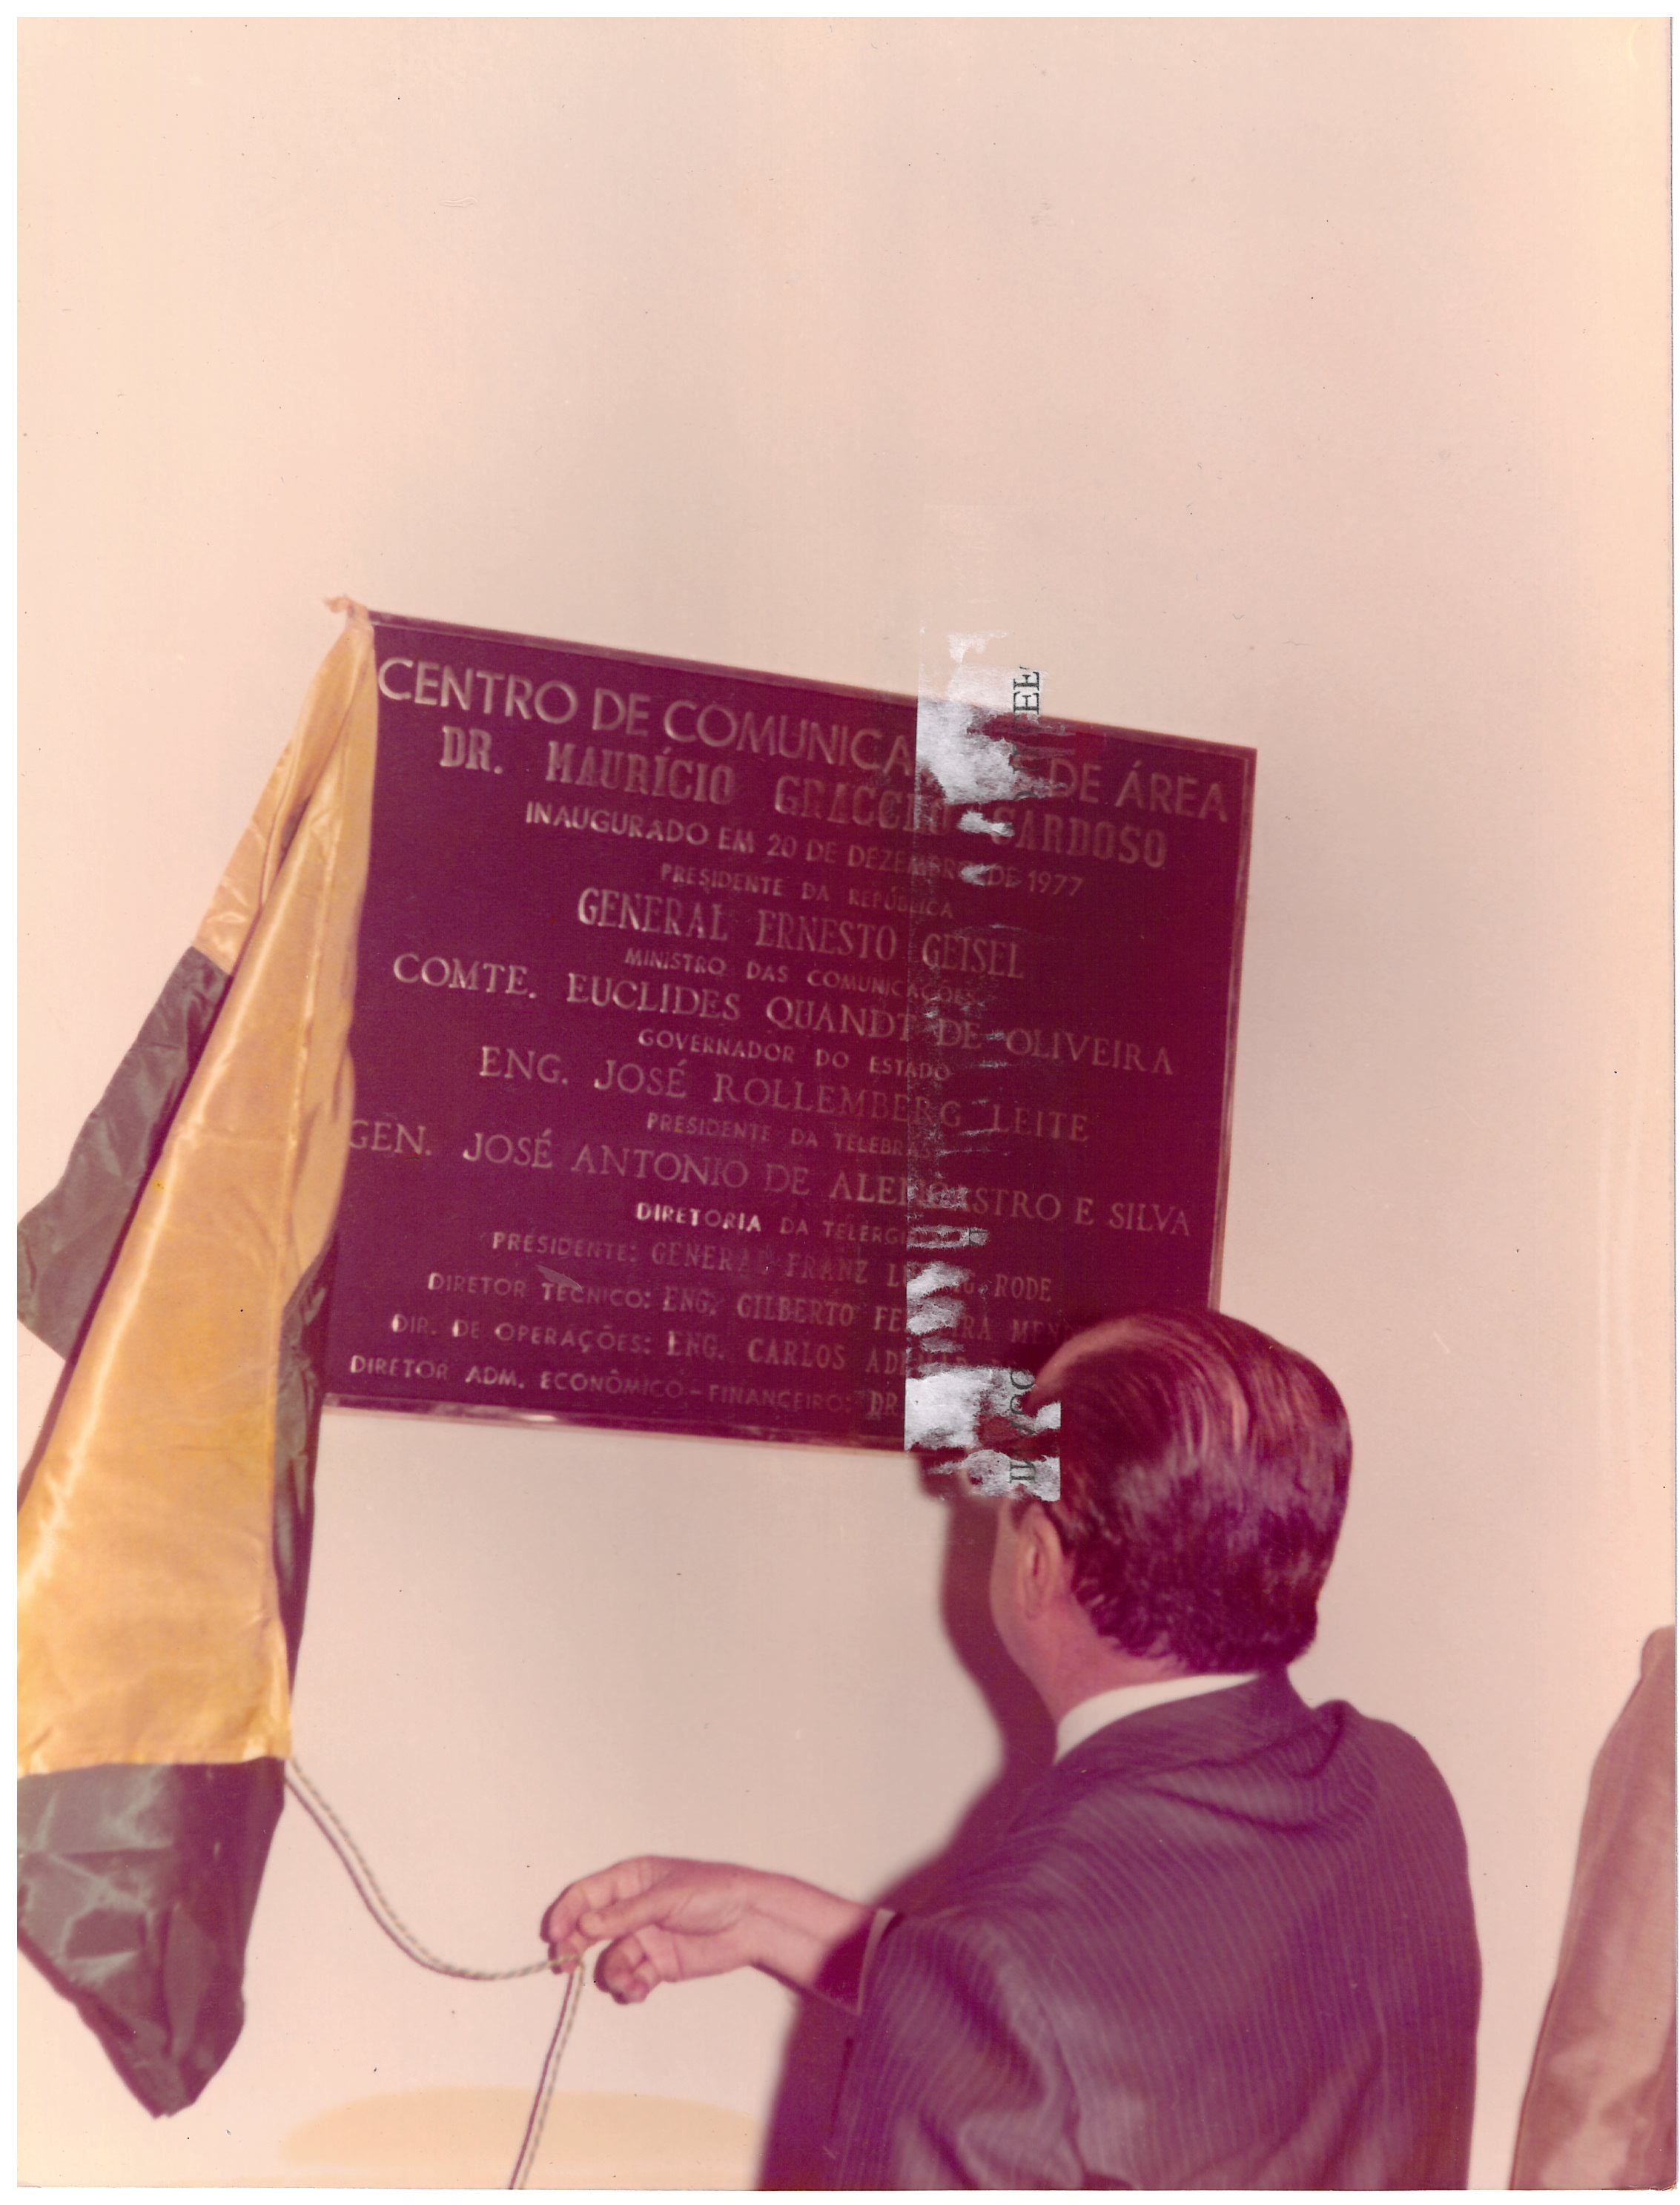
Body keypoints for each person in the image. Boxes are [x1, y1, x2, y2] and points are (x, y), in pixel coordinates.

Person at [543, 1309, 1481, 2187]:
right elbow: (1141, 2012)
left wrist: (929, 1989)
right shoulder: (1396, 1787)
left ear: (1037, 1563)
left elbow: (1040, 2009)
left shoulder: (1000, 1971)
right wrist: (767, 1917)